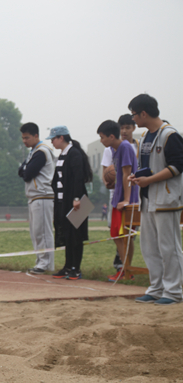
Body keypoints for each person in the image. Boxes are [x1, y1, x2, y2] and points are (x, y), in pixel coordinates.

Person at [127, 94, 183, 305]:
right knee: (150, 247)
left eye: (134, 114)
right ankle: (156, 287)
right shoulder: (145, 137)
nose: (133, 119)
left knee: (169, 247)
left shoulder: (170, 135)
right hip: (148, 200)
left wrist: (149, 179)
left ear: (143, 113)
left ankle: (173, 291)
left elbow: (177, 166)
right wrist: (138, 176)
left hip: (167, 199)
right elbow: (148, 167)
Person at [49, 126, 93, 280]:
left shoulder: (74, 153)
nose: (52, 142)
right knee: (67, 236)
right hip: (63, 201)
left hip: (76, 202)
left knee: (76, 236)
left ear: (61, 138)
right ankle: (67, 266)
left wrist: (76, 199)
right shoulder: (62, 154)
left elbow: (78, 178)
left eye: (53, 139)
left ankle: (76, 268)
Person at [97, 120, 139, 282]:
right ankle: (125, 269)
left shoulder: (125, 148)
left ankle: (127, 271)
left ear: (111, 136)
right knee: (116, 234)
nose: (101, 141)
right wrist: (110, 183)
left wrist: (127, 200)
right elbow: (118, 175)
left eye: (102, 137)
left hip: (126, 199)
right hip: (117, 198)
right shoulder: (114, 150)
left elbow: (127, 174)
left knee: (125, 235)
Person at [17, 123, 55, 275]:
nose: (24, 141)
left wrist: (25, 169)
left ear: (36, 136)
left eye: (27, 138)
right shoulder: (33, 152)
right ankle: (41, 261)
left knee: (43, 232)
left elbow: (27, 174)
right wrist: (25, 169)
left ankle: (46, 263)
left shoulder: (41, 151)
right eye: (23, 138)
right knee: (35, 232)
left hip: (43, 195)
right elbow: (21, 171)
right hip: (34, 196)